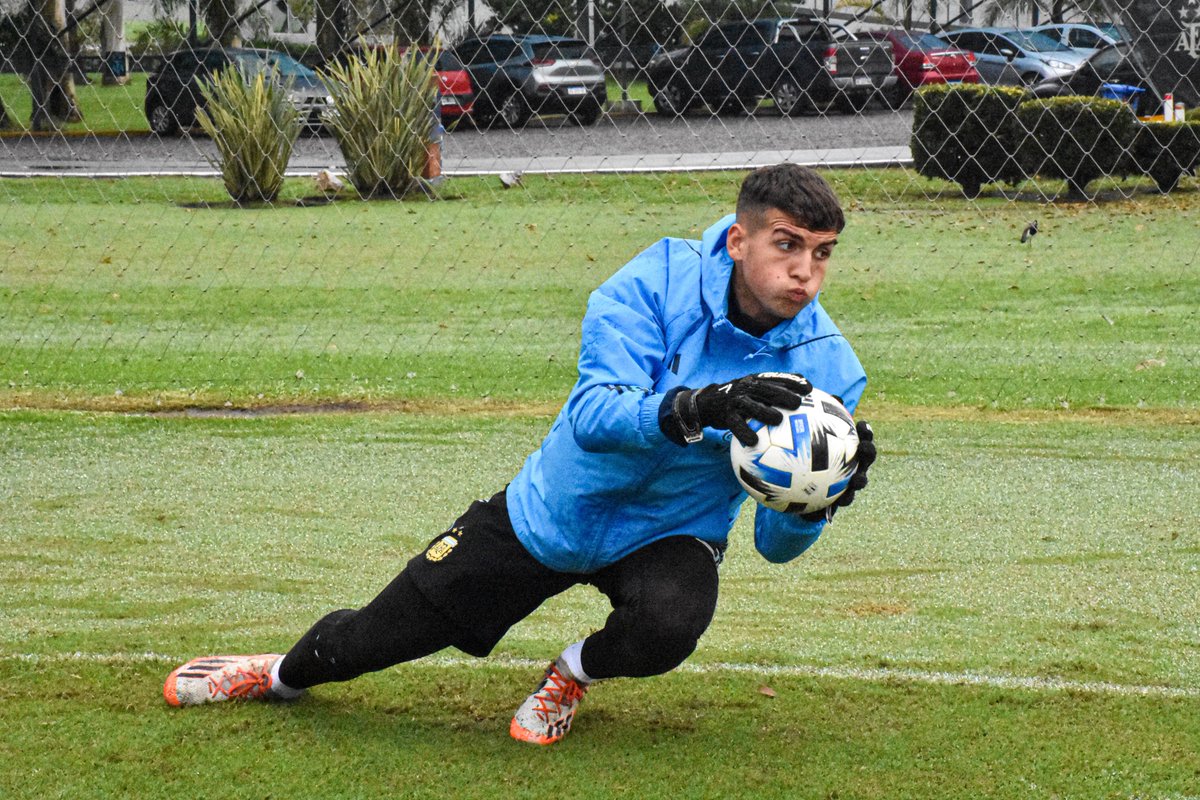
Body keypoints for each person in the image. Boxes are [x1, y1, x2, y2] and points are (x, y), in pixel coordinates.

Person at [163, 163, 877, 746]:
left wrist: (821, 498)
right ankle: (277, 673)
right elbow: (595, 416)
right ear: (737, 242)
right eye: (786, 244)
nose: (805, 273)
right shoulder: (652, 283)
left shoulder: (829, 370)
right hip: (554, 510)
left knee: (670, 626)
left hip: (671, 530)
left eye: (821, 253)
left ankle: (571, 675)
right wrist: (697, 406)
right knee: (371, 640)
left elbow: (776, 546)